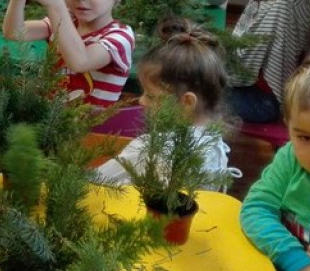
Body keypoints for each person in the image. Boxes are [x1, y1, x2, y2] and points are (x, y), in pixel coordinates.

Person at [97, 18, 240, 187]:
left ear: (187, 102)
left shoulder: (150, 149)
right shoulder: (214, 143)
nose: (141, 101)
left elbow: (94, 181)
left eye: (151, 96)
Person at [241, 55, 310, 271]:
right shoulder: (290, 157)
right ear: (288, 127)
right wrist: (297, 262)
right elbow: (257, 208)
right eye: (305, 137)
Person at [3, 0, 135, 108]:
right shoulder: (67, 21)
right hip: (51, 117)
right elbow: (14, 32)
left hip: (91, 122)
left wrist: (56, 5)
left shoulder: (120, 37)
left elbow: (80, 62)